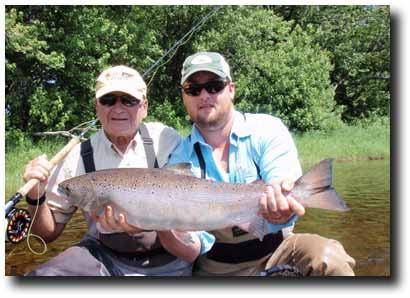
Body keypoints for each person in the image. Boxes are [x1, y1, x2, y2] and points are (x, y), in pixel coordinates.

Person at [168, 51, 356, 276]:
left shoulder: (267, 129)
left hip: (277, 250)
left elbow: (281, 181)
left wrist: (281, 207)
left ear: (231, 89)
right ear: (184, 96)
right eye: (193, 89)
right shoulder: (180, 157)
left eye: (214, 85)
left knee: (328, 259)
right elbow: (191, 242)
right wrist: (157, 227)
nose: (204, 95)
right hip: (216, 265)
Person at [22, 65, 214, 276]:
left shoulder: (166, 139)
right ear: (97, 107)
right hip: (104, 257)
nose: (118, 108)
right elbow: (47, 234)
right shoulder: (77, 156)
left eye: (129, 100)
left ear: (144, 107)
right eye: (108, 100)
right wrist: (36, 196)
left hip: (169, 258)